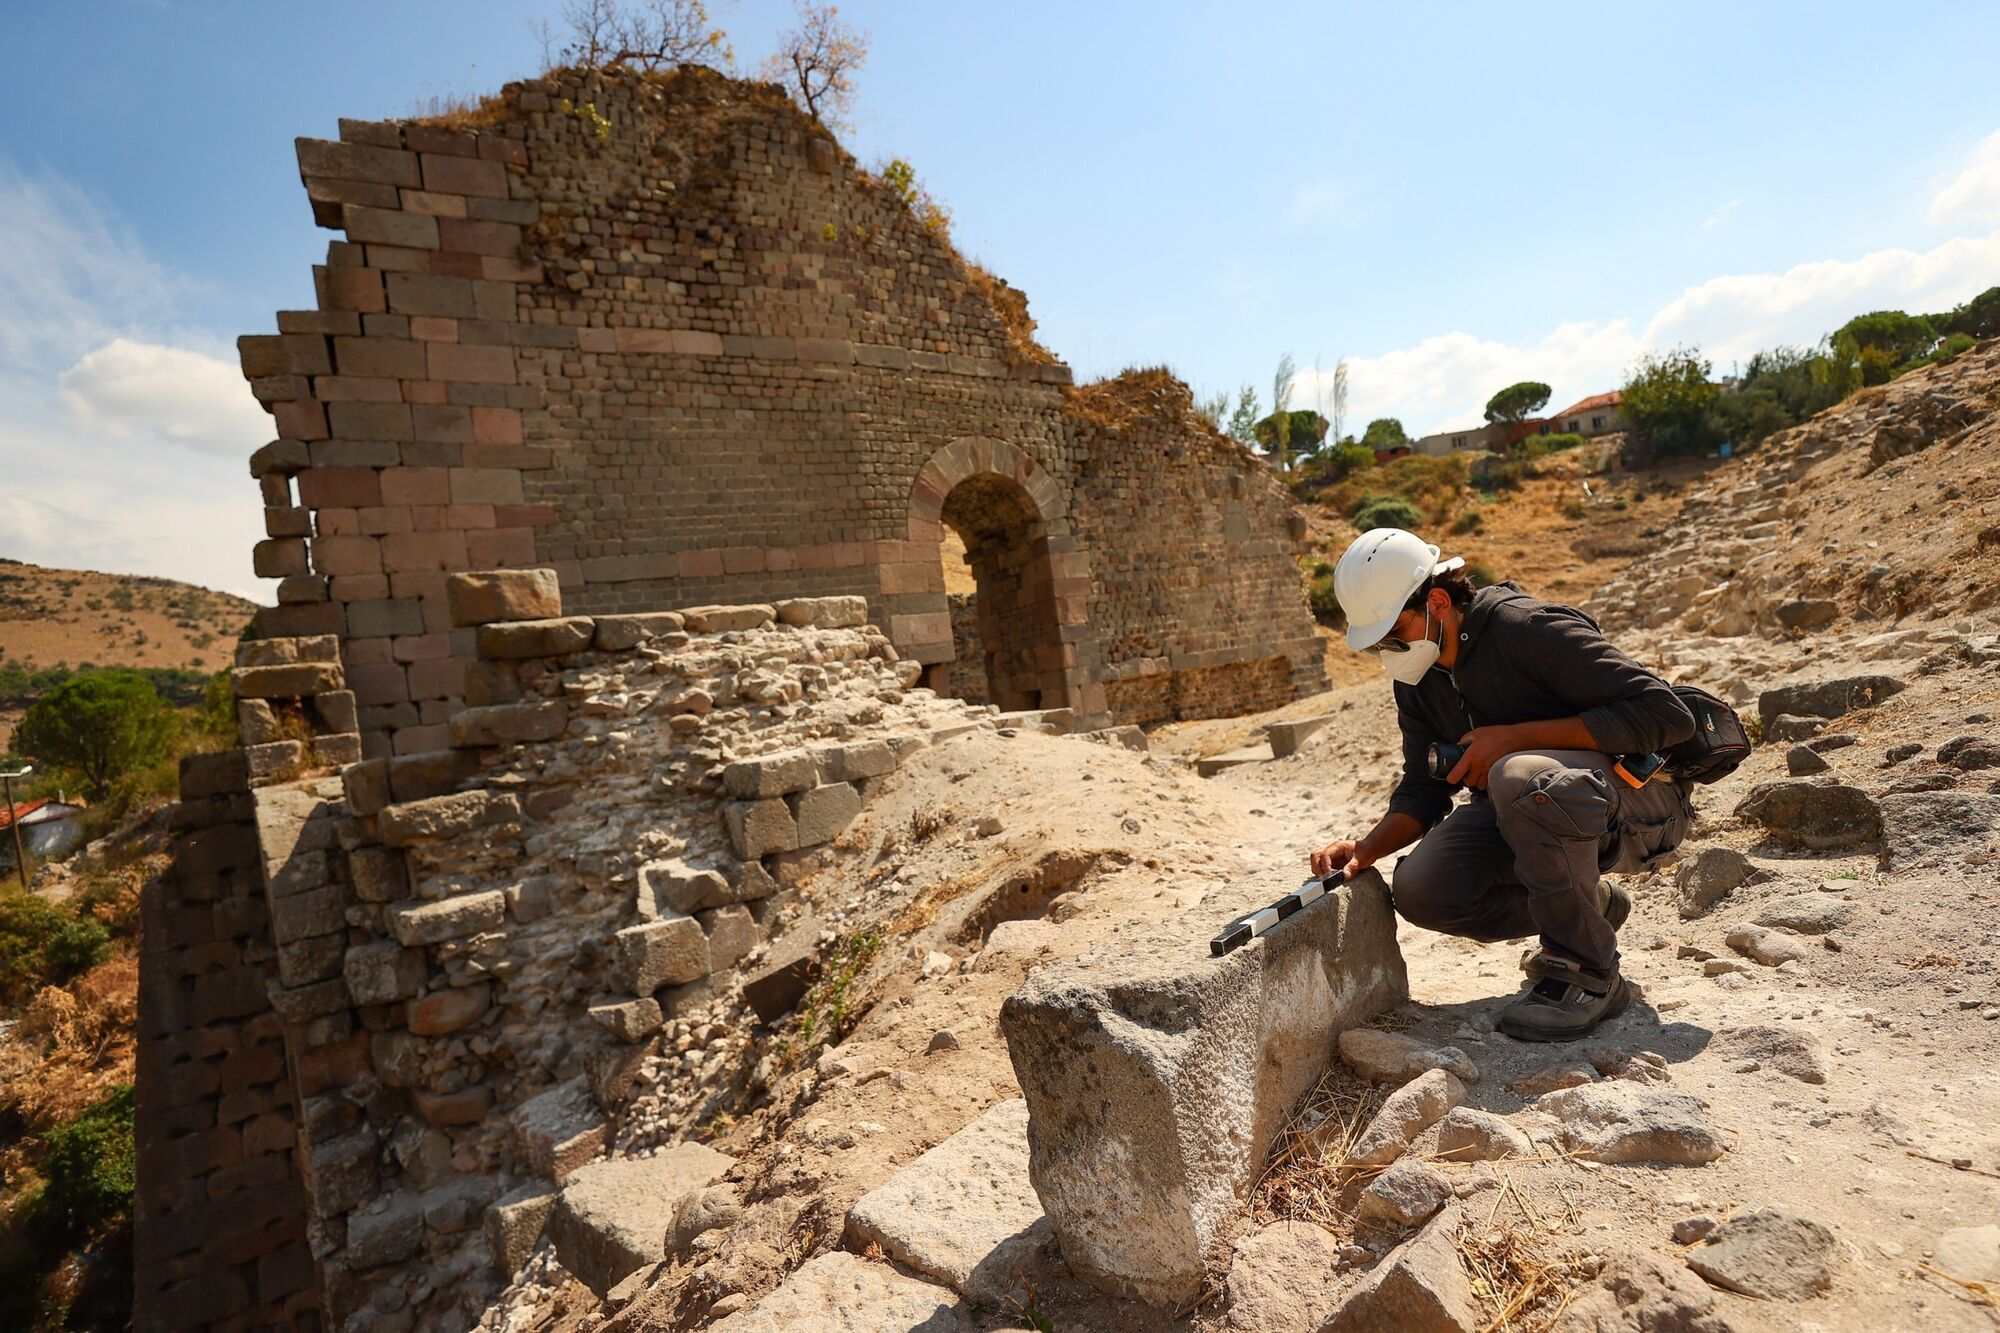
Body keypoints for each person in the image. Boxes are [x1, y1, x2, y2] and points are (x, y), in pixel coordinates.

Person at [1309, 528, 1696, 1042]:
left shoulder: (1525, 629)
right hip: (1533, 810)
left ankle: (1589, 971)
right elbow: (1423, 790)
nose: (1387, 650)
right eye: (1377, 642)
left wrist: (1510, 741)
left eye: (1393, 632)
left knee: (1516, 774)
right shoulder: (1418, 678)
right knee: (1424, 890)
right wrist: (1365, 850)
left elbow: (1666, 715)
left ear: (1439, 601)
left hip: (1641, 801)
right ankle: (1590, 905)